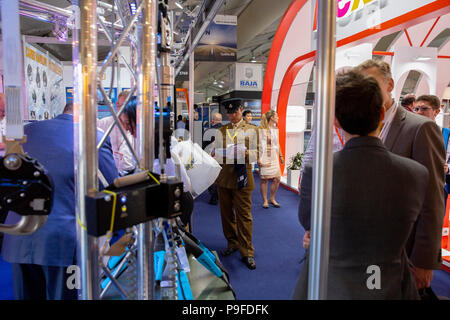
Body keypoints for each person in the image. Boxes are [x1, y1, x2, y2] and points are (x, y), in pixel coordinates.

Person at [293, 70, 429, 300]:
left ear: (335, 119)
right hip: (392, 286)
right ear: (382, 113)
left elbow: (309, 223)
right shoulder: (417, 173)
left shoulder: (317, 172)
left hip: (331, 285)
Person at [1, 102, 119, 300]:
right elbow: (111, 186)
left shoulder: (24, 132)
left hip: (19, 235)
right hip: (63, 243)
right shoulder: (93, 137)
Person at [355, 59, 445, 292]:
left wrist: (424, 261)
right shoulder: (360, 126)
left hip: (404, 249)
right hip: (366, 248)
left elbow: (432, 196)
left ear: (390, 85)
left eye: (372, 85)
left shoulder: (420, 128)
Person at [212, 98, 258, 270]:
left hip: (242, 179)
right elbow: (216, 152)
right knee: (226, 215)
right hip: (224, 178)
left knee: (244, 215)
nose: (231, 116)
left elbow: (257, 155)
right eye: (229, 113)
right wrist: (213, 154)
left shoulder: (253, 130)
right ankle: (232, 243)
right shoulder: (221, 131)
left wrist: (247, 153)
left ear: (241, 110)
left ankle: (247, 252)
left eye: (235, 112)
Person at [98, 92, 137, 176]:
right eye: (121, 106)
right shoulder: (104, 123)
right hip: (110, 172)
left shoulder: (137, 126)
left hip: (130, 172)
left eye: (127, 107)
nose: (124, 110)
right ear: (116, 105)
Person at [258, 110, 284, 208]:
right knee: (264, 179)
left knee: (277, 178)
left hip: (274, 156)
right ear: (271, 118)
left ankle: (272, 198)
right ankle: (265, 200)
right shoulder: (261, 129)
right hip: (264, 155)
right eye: (276, 116)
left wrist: (281, 156)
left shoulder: (275, 129)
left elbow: (277, 144)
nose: (278, 118)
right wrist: (258, 159)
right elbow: (258, 145)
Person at [204, 112, 223, 205]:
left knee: (212, 177)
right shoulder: (227, 130)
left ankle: (214, 196)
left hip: (212, 157)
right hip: (224, 157)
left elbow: (203, 146)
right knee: (221, 176)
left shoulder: (208, 131)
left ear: (212, 121)